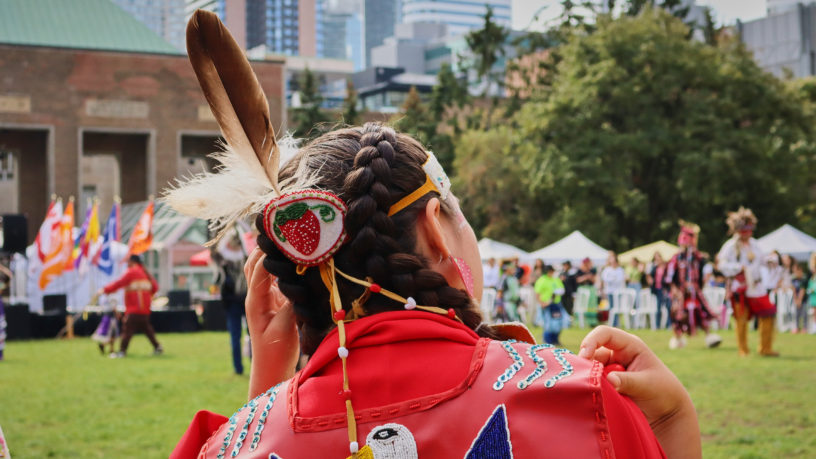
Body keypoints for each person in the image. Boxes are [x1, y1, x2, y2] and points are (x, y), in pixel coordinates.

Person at [169, 11, 699, 457]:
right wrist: (673, 418)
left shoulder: (230, 444)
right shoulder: (580, 399)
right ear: (435, 231)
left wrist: (265, 397)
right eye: (458, 211)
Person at [717, 207, 779, 356]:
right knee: (741, 319)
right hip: (740, 287)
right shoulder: (730, 246)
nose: (748, 233)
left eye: (750, 229)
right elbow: (721, 265)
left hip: (757, 287)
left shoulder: (755, 244)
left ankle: (765, 348)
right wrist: (739, 268)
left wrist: (771, 260)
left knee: (768, 313)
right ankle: (743, 349)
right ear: (738, 230)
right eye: (745, 229)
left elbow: (762, 260)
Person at [665, 221, 721, 350]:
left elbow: (702, 274)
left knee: (701, 312)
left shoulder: (697, 258)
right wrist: (675, 290)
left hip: (695, 291)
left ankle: (709, 337)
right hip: (680, 292)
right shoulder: (676, 258)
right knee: (678, 315)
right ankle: (677, 339)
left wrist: (698, 286)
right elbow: (669, 278)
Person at [98, 254, 163, 358]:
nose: (127, 264)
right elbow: (155, 288)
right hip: (145, 309)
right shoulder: (146, 274)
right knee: (147, 329)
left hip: (134, 309)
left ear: (133, 262)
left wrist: (105, 290)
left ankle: (122, 352)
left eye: (128, 261)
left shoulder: (131, 272)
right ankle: (158, 347)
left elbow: (119, 283)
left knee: (127, 331)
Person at [214, 234, 250, 375]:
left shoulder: (228, 261)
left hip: (242, 301)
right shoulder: (226, 262)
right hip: (237, 302)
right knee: (240, 336)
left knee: (244, 336)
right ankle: (240, 367)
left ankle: (243, 367)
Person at [600, 251, 625, 326]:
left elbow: (619, 279)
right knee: (612, 307)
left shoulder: (620, 270)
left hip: (618, 291)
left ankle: (616, 323)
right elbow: (605, 278)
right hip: (610, 291)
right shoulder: (607, 270)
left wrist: (613, 279)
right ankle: (612, 323)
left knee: (616, 307)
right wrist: (613, 279)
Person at [648, 252, 671, 329]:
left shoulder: (666, 267)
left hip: (665, 289)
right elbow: (649, 276)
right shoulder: (654, 268)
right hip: (657, 289)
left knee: (668, 306)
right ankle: (657, 325)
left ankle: (669, 325)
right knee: (658, 308)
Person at [791, 262, 807, 334]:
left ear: (800, 270)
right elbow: (793, 289)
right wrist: (795, 299)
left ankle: (804, 328)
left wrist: (799, 300)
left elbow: (802, 290)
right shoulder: (794, 279)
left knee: (804, 313)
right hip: (796, 299)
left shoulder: (804, 279)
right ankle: (797, 327)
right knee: (796, 314)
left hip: (803, 299)